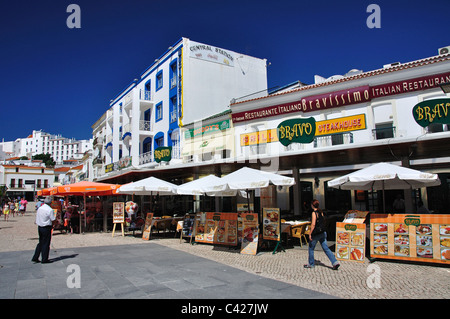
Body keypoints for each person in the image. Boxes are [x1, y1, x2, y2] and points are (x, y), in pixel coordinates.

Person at [304, 199, 340, 270]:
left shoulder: (314, 213)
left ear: (312, 205)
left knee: (311, 248)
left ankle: (311, 264)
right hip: (323, 232)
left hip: (316, 233)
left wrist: (310, 233)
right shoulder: (321, 212)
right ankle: (335, 262)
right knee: (326, 248)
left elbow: (313, 224)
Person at [31, 196, 56, 264]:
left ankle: (35, 257)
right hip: (46, 227)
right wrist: (54, 225)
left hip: (40, 227)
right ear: (50, 203)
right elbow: (53, 219)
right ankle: (44, 259)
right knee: (46, 243)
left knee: (41, 242)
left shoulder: (40, 208)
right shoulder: (50, 210)